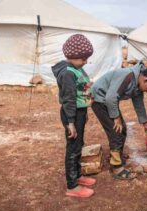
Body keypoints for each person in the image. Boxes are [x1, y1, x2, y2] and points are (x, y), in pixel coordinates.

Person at [91, 62, 147, 180]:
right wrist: (116, 118)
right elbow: (111, 97)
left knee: (122, 130)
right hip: (100, 99)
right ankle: (116, 168)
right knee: (116, 132)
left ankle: (117, 156)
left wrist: (146, 124)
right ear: (146, 80)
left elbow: (139, 104)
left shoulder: (138, 82)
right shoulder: (128, 76)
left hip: (108, 101)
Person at [52, 34, 96, 198]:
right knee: (72, 148)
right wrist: (71, 123)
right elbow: (69, 99)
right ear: (71, 56)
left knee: (79, 145)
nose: (86, 61)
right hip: (72, 114)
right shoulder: (68, 73)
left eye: (86, 58)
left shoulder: (77, 69)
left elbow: (80, 90)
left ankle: (78, 176)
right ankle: (72, 186)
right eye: (83, 58)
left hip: (79, 112)